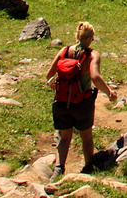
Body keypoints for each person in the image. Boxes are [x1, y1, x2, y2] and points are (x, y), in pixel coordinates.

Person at [45, 21, 116, 179]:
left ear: (77, 36)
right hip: (82, 103)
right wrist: (109, 93)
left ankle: (58, 169)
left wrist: (57, 88)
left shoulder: (63, 51)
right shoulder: (92, 55)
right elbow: (95, 77)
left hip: (62, 102)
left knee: (64, 137)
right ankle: (88, 167)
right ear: (91, 38)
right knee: (86, 137)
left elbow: (49, 75)